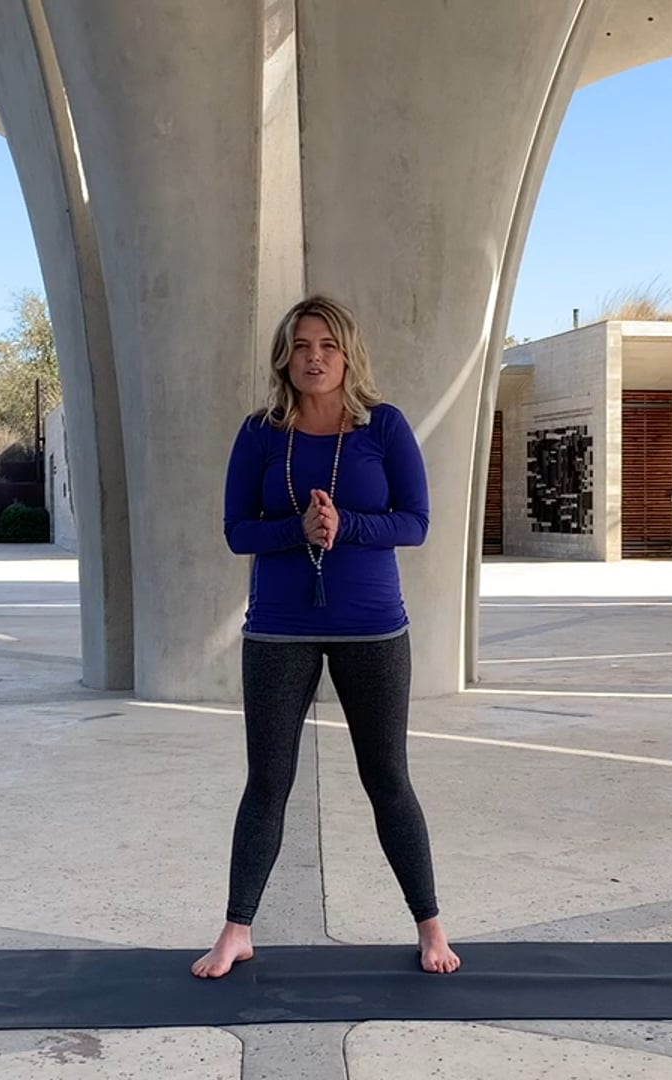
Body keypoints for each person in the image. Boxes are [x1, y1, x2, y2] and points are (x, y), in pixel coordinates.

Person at [194, 295, 460, 978]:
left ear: (348, 355)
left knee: (388, 780)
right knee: (268, 783)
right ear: (284, 355)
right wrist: (297, 531)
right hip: (279, 631)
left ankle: (431, 927)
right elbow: (236, 531)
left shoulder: (384, 427)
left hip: (372, 628)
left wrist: (349, 527)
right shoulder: (259, 432)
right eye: (302, 344)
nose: (315, 357)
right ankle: (235, 931)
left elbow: (416, 521)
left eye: (328, 345)